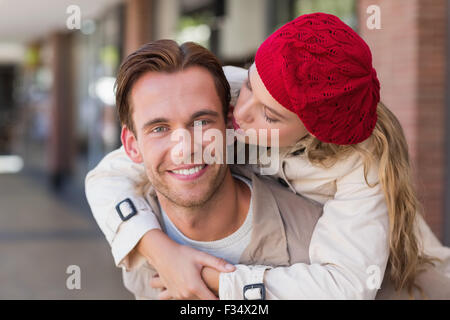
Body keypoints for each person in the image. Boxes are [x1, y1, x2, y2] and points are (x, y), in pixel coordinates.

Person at [86, 13, 450, 299]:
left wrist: (214, 282)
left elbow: (345, 287)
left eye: (270, 116)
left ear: (312, 132)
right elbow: (111, 175)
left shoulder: (361, 168)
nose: (240, 114)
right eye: (250, 85)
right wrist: (162, 252)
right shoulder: (227, 92)